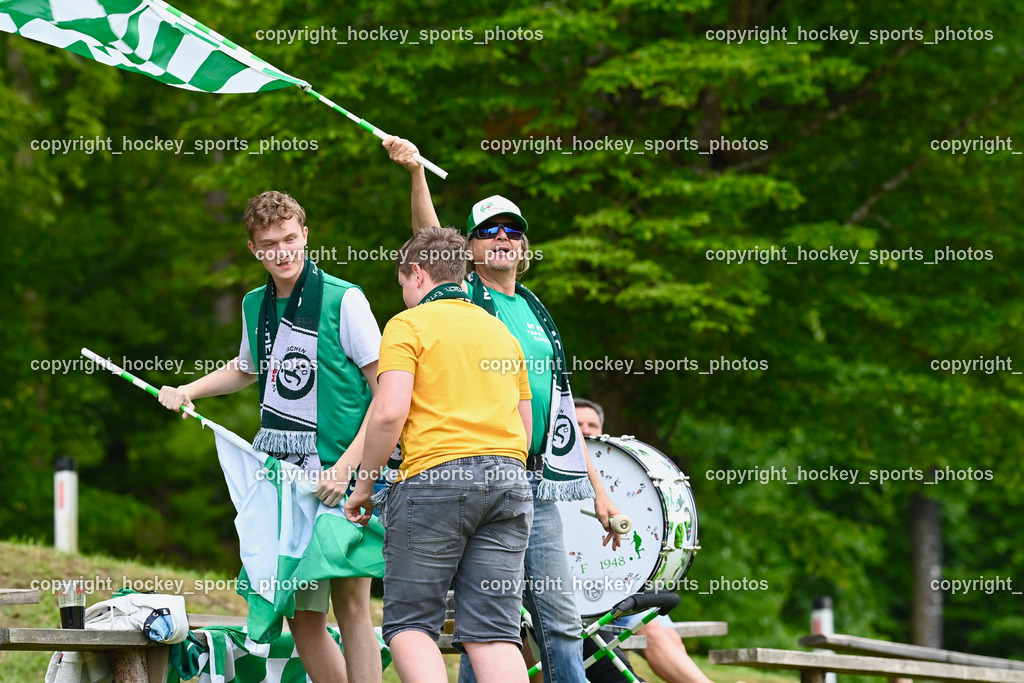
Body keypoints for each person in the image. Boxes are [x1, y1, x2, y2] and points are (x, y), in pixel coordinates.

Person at [385, 136, 624, 683]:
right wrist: (418, 173)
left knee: (556, 622)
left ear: (524, 246)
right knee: (490, 622)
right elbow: (429, 241)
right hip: (483, 468)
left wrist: (599, 490)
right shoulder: (469, 297)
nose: (501, 238)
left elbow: (561, 412)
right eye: (488, 230)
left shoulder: (536, 313)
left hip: (536, 476)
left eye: (512, 230)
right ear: (466, 251)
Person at [158, 190, 384, 683]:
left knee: (351, 606)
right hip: (283, 480)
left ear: (305, 234)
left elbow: (386, 391)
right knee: (302, 617)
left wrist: (348, 466)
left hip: (343, 475)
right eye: (269, 244)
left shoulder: (345, 299)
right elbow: (247, 367)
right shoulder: (254, 303)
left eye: (289, 239)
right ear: (253, 249)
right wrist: (188, 389)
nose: (282, 252)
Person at [345, 226, 534, 683]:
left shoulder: (407, 325)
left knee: (411, 624)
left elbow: (389, 412)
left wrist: (364, 485)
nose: (404, 294)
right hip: (510, 480)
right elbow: (525, 425)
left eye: (402, 284)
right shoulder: (501, 332)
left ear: (417, 273)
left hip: (435, 480)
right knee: (495, 631)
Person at [575, 398, 716, 683]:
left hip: (622, 587)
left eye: (592, 424)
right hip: (574, 595)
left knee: (659, 633)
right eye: (578, 424)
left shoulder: (622, 474)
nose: (586, 430)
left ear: (603, 430)